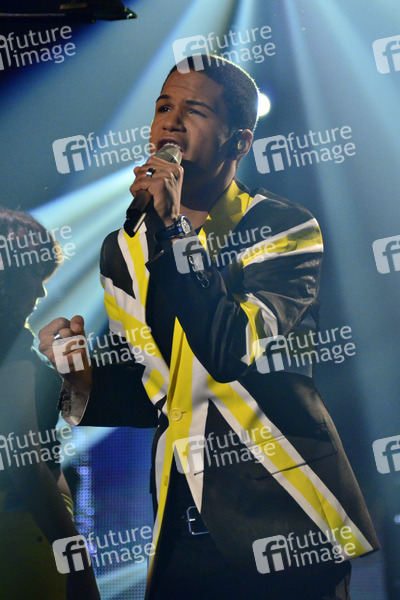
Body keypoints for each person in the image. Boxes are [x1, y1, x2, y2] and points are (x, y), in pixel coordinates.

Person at [39, 55, 379, 599]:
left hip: (284, 515)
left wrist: (174, 230)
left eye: (195, 111)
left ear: (238, 142)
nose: (171, 123)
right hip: (182, 521)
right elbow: (156, 390)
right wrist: (79, 378)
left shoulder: (280, 227)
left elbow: (227, 350)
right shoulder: (123, 248)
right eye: (163, 108)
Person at [0, 208, 100, 600]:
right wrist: (75, 555)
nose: (41, 293)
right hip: (26, 526)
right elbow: (24, 461)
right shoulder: (11, 348)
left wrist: (75, 379)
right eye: (34, 275)